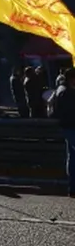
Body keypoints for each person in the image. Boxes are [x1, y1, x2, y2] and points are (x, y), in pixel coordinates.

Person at [51, 68, 75, 198]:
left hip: (67, 127)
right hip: (71, 127)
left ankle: (72, 187)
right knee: (73, 158)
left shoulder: (61, 90)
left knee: (72, 158)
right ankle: (72, 187)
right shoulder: (68, 92)